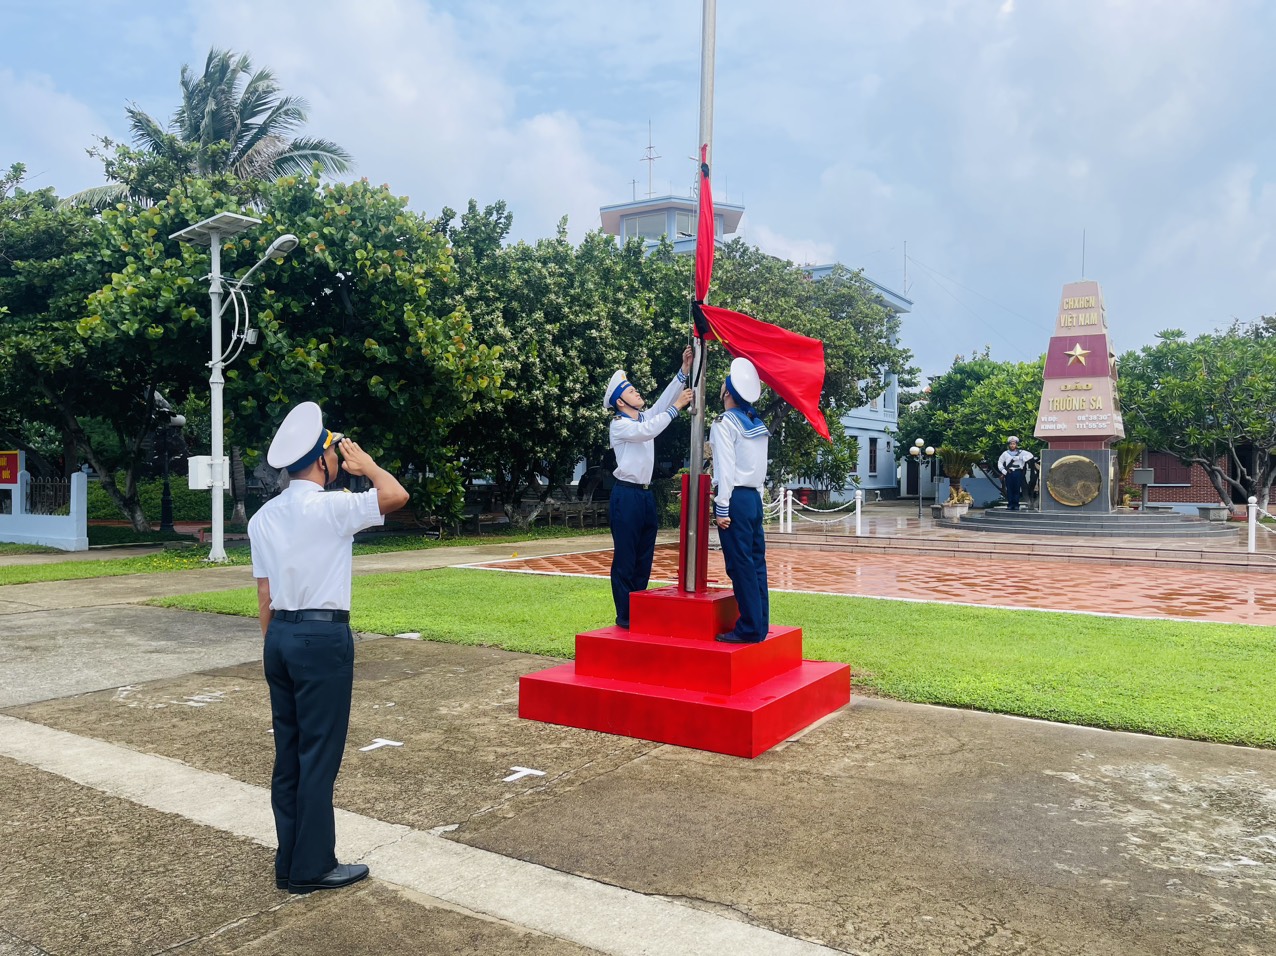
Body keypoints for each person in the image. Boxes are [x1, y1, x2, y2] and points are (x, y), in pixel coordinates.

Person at [248, 401, 409, 895]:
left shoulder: (263, 517)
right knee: (319, 755)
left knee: (290, 754)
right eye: (334, 453)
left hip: (280, 635)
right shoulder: (334, 507)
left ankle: (289, 860)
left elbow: (264, 594)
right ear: (322, 460)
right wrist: (369, 466)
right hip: (321, 638)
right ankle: (312, 867)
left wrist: (275, 646)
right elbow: (396, 495)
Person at [605, 347, 695, 629]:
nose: (637, 393)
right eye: (631, 391)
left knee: (644, 557)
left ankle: (638, 610)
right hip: (626, 494)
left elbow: (661, 406)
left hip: (644, 494)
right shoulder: (620, 425)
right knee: (626, 558)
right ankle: (625, 616)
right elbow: (650, 429)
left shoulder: (642, 417)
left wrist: (683, 371)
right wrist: (677, 407)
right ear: (621, 402)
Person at [710, 357, 771, 644]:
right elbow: (759, 469)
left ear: (727, 393)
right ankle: (759, 625)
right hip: (753, 498)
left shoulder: (724, 423)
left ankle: (748, 628)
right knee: (756, 564)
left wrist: (722, 506)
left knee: (740, 565)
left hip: (734, 497)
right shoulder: (756, 423)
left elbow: (725, 468)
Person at [997, 436, 1035, 512]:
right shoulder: (1005, 453)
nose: (1012, 445)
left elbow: (1031, 455)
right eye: (1011, 444)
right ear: (1009, 445)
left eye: (1014, 444)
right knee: (1009, 489)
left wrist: (1020, 458)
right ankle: (1010, 505)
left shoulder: (1021, 452)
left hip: (1018, 472)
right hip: (1009, 472)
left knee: (1016, 489)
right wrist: (1003, 470)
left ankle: (1016, 505)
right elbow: (1000, 462)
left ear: (1016, 445)